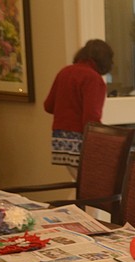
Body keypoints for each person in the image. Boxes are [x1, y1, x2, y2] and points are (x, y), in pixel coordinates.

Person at [44, 39, 114, 178]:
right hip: (79, 139)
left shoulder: (64, 72)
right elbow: (91, 117)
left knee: (79, 183)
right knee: (92, 184)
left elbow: (48, 106)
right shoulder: (93, 79)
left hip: (60, 139)